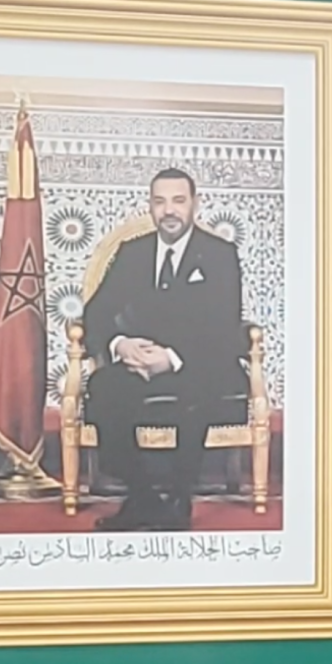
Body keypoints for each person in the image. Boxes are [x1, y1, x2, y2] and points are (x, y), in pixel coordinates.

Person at [83, 167, 248, 532]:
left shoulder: (220, 254)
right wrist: (121, 345)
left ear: (195, 204)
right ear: (150, 206)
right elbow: (96, 312)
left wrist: (171, 359)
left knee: (197, 389)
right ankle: (142, 497)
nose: (169, 210)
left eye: (178, 201)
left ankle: (178, 500)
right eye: (160, 201)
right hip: (139, 363)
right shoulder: (132, 253)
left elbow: (224, 324)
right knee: (104, 387)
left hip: (199, 362)